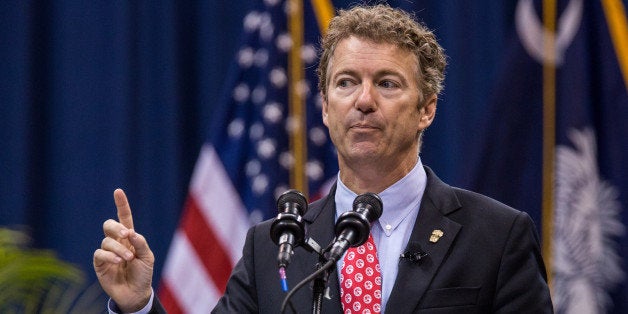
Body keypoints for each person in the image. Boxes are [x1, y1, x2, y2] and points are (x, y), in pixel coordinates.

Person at [94, 4, 553, 313]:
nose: (364, 101)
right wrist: (138, 305)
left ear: (427, 108)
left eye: (388, 83)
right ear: (325, 105)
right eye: (346, 82)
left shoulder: (497, 236)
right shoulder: (271, 246)